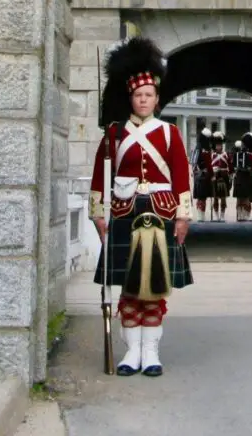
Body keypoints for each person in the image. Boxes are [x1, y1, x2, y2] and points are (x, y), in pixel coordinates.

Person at [90, 37, 193, 377]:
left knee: (154, 289)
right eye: (138, 95)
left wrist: (183, 216)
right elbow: (98, 178)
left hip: (161, 214)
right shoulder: (115, 134)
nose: (144, 100)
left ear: (156, 98)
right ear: (130, 98)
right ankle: (131, 352)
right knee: (129, 289)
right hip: (124, 215)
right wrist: (97, 214)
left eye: (149, 95)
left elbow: (181, 177)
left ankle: (151, 351)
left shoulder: (169, 133)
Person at [232, 132, 252, 222]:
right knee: (246, 198)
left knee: (239, 198)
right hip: (248, 179)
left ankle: (240, 215)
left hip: (238, 179)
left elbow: (233, 166)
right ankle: (245, 216)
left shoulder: (237, 154)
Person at [192, 128, 213, 222]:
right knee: (201, 197)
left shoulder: (202, 148)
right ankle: (200, 216)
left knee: (202, 197)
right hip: (202, 175)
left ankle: (201, 215)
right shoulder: (201, 148)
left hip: (203, 175)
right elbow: (194, 162)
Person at [210, 131, 232, 221]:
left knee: (223, 198)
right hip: (215, 177)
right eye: (217, 145)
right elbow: (210, 166)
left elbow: (230, 166)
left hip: (224, 177)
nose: (219, 147)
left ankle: (222, 215)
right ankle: (216, 215)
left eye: (220, 145)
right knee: (215, 197)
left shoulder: (226, 155)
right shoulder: (212, 155)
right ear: (215, 146)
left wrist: (230, 175)